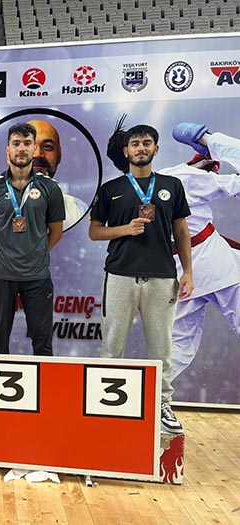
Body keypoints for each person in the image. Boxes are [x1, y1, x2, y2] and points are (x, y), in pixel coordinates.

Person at [109, 120, 240, 381]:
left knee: (177, 348)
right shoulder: (181, 178)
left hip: (176, 274)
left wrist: (199, 168)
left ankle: (147, 394)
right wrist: (208, 141)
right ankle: (207, 137)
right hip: (217, 266)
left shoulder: (119, 196)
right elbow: (233, 186)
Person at [90, 123, 193, 435]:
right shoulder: (110, 189)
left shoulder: (172, 185)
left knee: (162, 349)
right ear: (126, 151)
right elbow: (95, 232)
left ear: (156, 149)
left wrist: (188, 272)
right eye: (135, 144)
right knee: (112, 345)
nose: (141, 148)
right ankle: (108, 405)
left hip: (162, 277)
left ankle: (162, 404)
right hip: (119, 275)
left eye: (147, 143)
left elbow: (181, 231)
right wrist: (125, 229)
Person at [0, 122, 65, 356]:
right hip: (1, 276)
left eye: (27, 143)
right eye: (16, 143)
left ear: (34, 148)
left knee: (43, 342)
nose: (22, 148)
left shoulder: (50, 188)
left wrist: (38, 252)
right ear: (8, 150)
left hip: (37, 277)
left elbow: (56, 230)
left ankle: (44, 380)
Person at [27, 119, 90, 230]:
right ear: (10, 155)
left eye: (47, 147)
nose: (37, 154)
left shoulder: (77, 211)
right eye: (28, 145)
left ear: (59, 155)